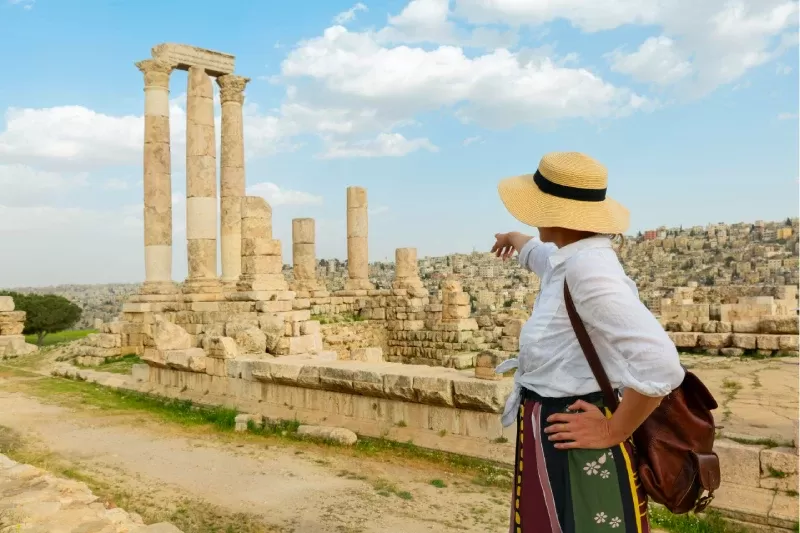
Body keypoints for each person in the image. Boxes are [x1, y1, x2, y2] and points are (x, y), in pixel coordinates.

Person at [491, 151, 685, 533]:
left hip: (577, 440)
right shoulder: (567, 257)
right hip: (555, 436)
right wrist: (512, 239)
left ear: (556, 213)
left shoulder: (588, 270)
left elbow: (661, 366)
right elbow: (538, 254)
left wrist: (614, 430)